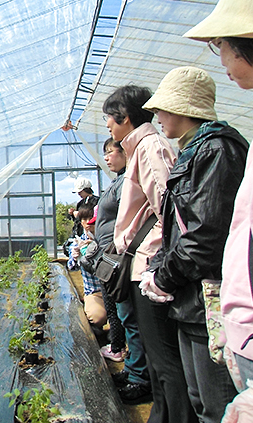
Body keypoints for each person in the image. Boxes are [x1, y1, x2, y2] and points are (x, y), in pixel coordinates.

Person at [141, 66, 245, 422]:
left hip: (209, 301)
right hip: (190, 300)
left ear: (183, 109)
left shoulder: (216, 151)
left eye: (162, 108)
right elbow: (177, 230)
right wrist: (159, 268)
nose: (156, 116)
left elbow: (204, 239)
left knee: (217, 407)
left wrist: (163, 277)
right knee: (201, 400)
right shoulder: (192, 151)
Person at [104, 85, 198, 421]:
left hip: (150, 267)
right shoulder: (139, 149)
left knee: (166, 360)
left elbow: (171, 212)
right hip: (142, 265)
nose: (109, 129)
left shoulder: (151, 147)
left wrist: (159, 266)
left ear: (125, 118)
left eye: (110, 121)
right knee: (158, 360)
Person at [184, 0, 253, 394]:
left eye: (219, 44)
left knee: (210, 399)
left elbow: (206, 228)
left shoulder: (216, 149)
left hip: (234, 314)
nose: (220, 55)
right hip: (238, 315)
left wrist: (165, 273)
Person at [88, 138, 151, 400]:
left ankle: (140, 379)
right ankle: (133, 369)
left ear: (125, 152)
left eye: (110, 152)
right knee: (125, 316)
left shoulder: (127, 182)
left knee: (130, 318)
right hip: (112, 259)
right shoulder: (117, 181)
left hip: (121, 260)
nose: (107, 158)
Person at [67, 205, 107, 329]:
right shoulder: (78, 242)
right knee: (97, 317)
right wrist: (75, 257)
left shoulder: (107, 239)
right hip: (94, 292)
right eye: (84, 219)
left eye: (91, 218)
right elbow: (71, 268)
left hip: (113, 291)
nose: (88, 223)